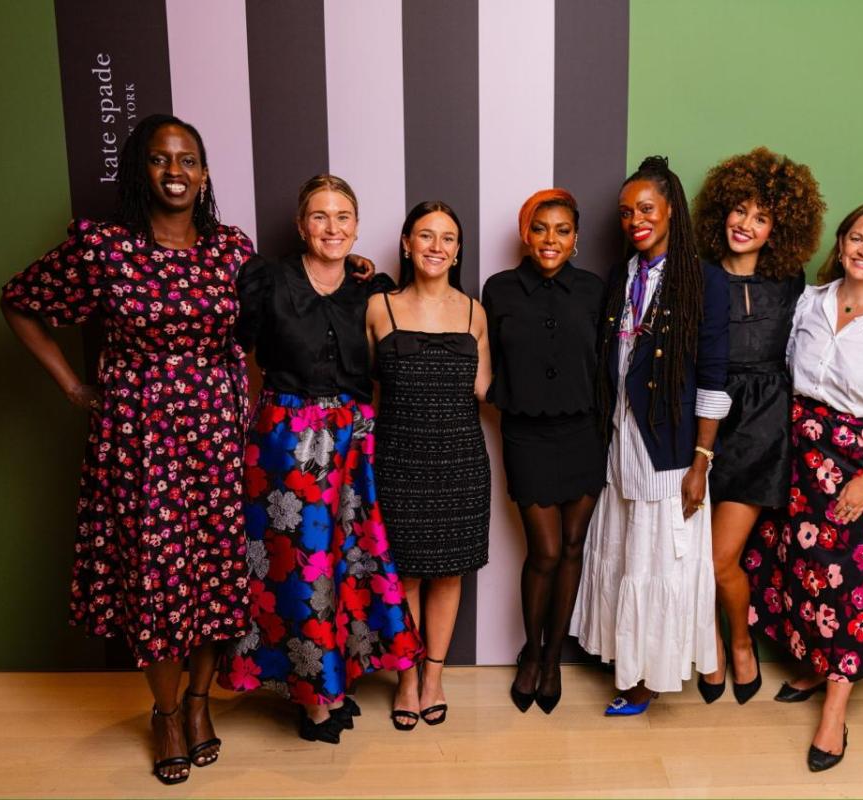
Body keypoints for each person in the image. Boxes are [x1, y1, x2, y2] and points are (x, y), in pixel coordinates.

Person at [0, 114, 254, 784]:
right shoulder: (105, 250)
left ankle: (201, 703)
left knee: (217, 577)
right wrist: (74, 388)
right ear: (139, 170)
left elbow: (280, 312)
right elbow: (20, 301)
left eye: (189, 160)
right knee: (158, 580)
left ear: (204, 173)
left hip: (217, 437)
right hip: (139, 440)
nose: (176, 172)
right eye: (161, 159)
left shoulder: (231, 249)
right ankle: (166, 712)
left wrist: (354, 273)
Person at [216, 175, 423, 742]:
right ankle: (311, 701)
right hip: (287, 438)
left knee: (348, 562)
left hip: (354, 440)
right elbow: (235, 349)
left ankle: (334, 682)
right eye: (320, 217)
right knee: (298, 565)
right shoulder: (266, 278)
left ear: (357, 225)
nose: (333, 228)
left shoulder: (372, 287)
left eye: (343, 217)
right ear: (300, 225)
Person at [753, 201, 863, 771]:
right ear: (843, 242)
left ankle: (835, 713)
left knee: (852, 582)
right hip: (802, 452)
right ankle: (813, 666)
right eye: (858, 237)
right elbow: (788, 374)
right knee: (803, 570)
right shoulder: (811, 299)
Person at [570, 155, 730, 716]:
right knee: (626, 555)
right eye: (625, 212)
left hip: (671, 449)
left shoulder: (703, 280)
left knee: (660, 561)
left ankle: (648, 679)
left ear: (669, 211)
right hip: (620, 440)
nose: (634, 219)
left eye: (645, 208)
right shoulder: (624, 276)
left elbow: (713, 376)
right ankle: (627, 660)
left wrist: (701, 460)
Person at [690, 147, 825, 704]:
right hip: (700, 422)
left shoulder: (792, 282)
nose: (746, 224)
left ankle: (737, 644)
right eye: (739, 210)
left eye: (761, 216)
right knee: (689, 552)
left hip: (762, 426)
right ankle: (711, 648)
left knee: (721, 557)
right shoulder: (695, 277)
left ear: (780, 228)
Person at [366, 201, 492, 727]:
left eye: (447, 238)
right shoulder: (378, 307)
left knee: (448, 575)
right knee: (406, 577)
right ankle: (406, 678)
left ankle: (434, 676)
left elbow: (484, 389)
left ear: (457, 250)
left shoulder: (474, 311)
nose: (436, 247)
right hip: (398, 459)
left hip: (461, 460)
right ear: (406, 243)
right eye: (425, 236)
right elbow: (361, 390)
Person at [482, 189, 606, 713]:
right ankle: (530, 654)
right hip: (526, 433)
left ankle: (554, 658)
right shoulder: (500, 289)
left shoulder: (596, 291)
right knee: (546, 552)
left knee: (574, 548)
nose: (550, 239)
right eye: (540, 228)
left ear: (575, 239)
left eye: (561, 230)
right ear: (524, 234)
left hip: (584, 433)